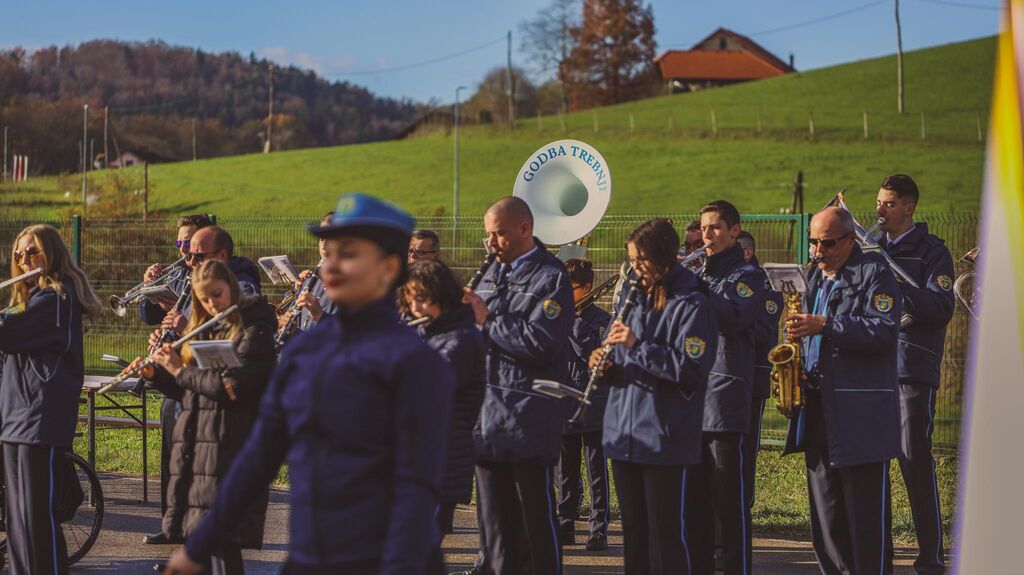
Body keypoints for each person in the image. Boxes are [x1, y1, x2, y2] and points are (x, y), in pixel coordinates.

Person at [164, 192, 455, 575]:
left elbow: (416, 489)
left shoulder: (415, 362)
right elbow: (259, 457)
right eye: (329, 252)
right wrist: (196, 549)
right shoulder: (305, 352)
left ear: (389, 267)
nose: (329, 265)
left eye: (347, 254)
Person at [127, 259, 277, 575]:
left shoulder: (254, 330)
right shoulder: (206, 328)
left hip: (231, 448)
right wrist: (158, 372)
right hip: (199, 452)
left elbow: (230, 387)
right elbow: (190, 390)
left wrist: (181, 370)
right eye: (203, 299)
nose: (211, 304)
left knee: (224, 556)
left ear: (233, 289)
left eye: (217, 295)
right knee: (205, 554)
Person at [590, 218, 717, 573]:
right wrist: (604, 363)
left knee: (665, 536)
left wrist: (637, 345)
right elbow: (622, 357)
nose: (633, 269)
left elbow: (690, 369)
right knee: (634, 535)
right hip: (624, 432)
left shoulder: (692, 304)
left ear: (662, 258)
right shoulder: (634, 296)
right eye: (630, 260)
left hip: (663, 435)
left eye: (639, 261)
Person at [783, 206, 902, 574]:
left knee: (864, 518)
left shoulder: (875, 272)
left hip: (859, 413)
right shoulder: (813, 277)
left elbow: (883, 331)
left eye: (828, 243)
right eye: (813, 241)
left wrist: (827, 325)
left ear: (851, 239)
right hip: (817, 405)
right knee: (826, 516)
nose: (818, 250)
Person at [462, 196, 573, 575]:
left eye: (499, 234)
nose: (491, 243)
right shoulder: (492, 273)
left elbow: (542, 343)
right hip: (486, 413)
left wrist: (486, 319)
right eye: (487, 235)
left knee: (534, 520)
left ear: (525, 229)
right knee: (495, 527)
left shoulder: (552, 276)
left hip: (528, 414)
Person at [146, 221, 261, 544]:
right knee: (176, 462)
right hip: (186, 393)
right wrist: (158, 369)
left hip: (218, 413)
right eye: (188, 254)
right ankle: (174, 525)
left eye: (197, 255)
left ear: (221, 256)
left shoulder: (247, 300)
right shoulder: (193, 283)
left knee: (211, 498)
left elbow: (224, 365)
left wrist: (183, 338)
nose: (189, 261)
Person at [0, 224, 102, 575]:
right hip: (16, 421)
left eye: (32, 251)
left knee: (35, 520)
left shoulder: (57, 297)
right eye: (19, 253)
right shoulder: (33, 300)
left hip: (38, 421)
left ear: (52, 254)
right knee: (17, 521)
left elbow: (9, 333)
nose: (23, 259)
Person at [876, 174, 954, 574]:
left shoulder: (932, 251)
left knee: (913, 458)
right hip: (870, 367)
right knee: (874, 461)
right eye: (878, 203)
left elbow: (940, 308)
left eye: (888, 204)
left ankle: (930, 556)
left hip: (911, 367)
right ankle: (879, 554)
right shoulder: (868, 250)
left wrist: (893, 283)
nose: (879, 211)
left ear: (909, 207)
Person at [688, 200, 763, 575]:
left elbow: (733, 318)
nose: (707, 235)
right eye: (704, 228)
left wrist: (695, 286)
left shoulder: (748, 275)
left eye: (715, 227)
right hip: (691, 399)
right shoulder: (700, 273)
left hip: (724, 399)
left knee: (729, 503)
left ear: (735, 231)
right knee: (694, 504)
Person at [401, 259, 486, 535]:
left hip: (444, 455)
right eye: (410, 299)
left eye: (423, 300)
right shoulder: (427, 332)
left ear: (443, 296)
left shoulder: (461, 338)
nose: (415, 308)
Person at [556, 258, 612, 551]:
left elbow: (590, 351)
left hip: (593, 403)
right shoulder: (558, 315)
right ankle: (565, 524)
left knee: (596, 471)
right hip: (564, 401)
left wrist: (573, 320)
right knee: (565, 472)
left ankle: (598, 527)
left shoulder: (602, 320)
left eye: (570, 288)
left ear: (588, 288)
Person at [737, 230, 783, 511]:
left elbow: (765, 327)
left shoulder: (768, 284)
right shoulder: (730, 280)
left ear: (747, 253)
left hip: (753, 374)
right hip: (727, 376)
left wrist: (733, 325)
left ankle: (745, 501)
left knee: (747, 443)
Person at [138, 214, 213, 326]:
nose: (182, 249)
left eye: (187, 243)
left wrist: (182, 313)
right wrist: (149, 286)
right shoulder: (177, 273)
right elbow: (149, 318)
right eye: (179, 243)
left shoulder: (221, 276)